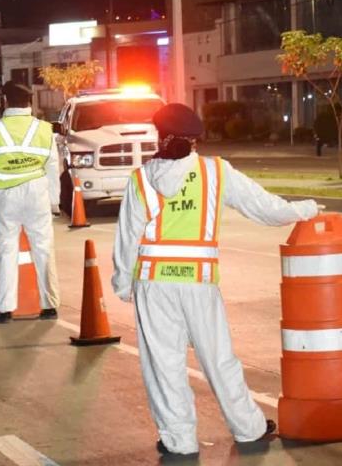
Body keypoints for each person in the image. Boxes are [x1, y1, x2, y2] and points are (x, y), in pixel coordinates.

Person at [111, 103, 319, 458]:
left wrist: (122, 283)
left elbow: (128, 237)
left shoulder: (141, 179)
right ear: (195, 140)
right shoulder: (216, 172)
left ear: (160, 137)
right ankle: (249, 428)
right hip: (199, 283)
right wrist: (306, 210)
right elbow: (265, 207)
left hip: (153, 284)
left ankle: (179, 440)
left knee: (164, 365)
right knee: (220, 358)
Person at [0, 83, 61, 324]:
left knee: (6, 251)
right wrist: (54, 202)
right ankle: (49, 305)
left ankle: (4, 309)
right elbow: (52, 166)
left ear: (5, 102)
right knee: (43, 249)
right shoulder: (44, 129)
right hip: (37, 195)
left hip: (5, 196)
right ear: (29, 103)